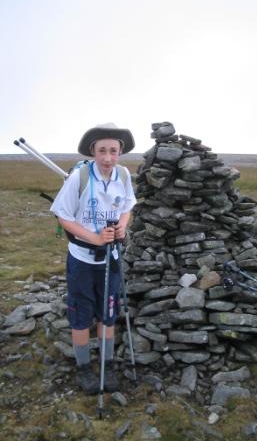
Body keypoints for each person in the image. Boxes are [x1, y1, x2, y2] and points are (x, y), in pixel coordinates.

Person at [50, 123, 136, 394]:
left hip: (110, 258)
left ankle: (106, 365)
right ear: (93, 152)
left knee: (108, 311)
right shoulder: (80, 177)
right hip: (82, 260)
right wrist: (95, 238)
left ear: (120, 151)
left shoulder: (122, 175)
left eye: (113, 150)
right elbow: (63, 216)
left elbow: (127, 207)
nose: (108, 157)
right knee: (80, 313)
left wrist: (123, 226)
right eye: (102, 151)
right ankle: (84, 368)